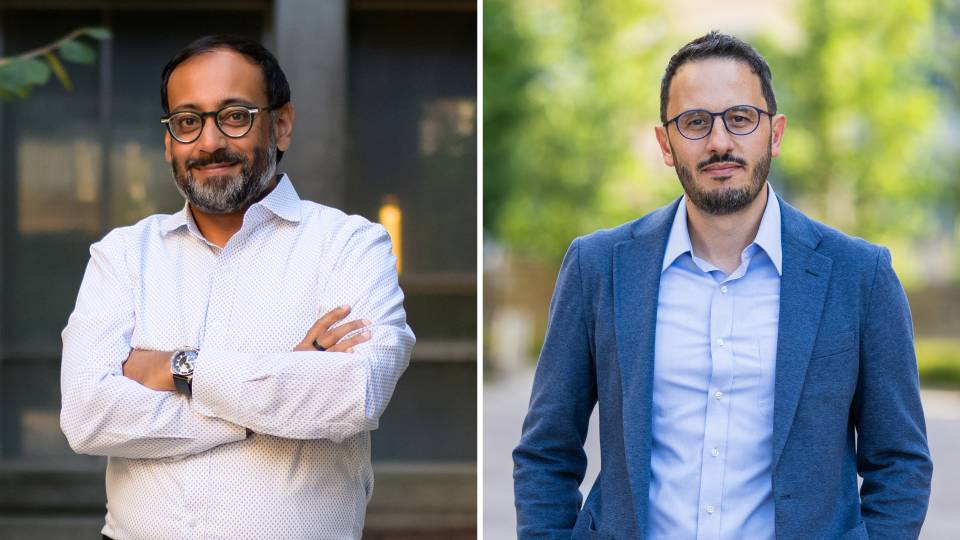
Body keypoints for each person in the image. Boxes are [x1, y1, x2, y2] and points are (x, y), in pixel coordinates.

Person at [513, 31, 931, 540]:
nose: (719, 142)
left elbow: (900, 462)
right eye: (695, 122)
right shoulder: (598, 267)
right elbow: (546, 451)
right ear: (666, 144)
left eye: (740, 118)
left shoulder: (860, 276)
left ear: (774, 134)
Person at [59, 35, 415, 540]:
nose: (209, 142)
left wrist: (179, 368)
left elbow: (354, 394)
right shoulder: (121, 255)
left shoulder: (351, 245)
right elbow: (86, 416)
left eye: (234, 116)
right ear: (168, 141)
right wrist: (265, 406)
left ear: (282, 124)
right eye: (188, 121)